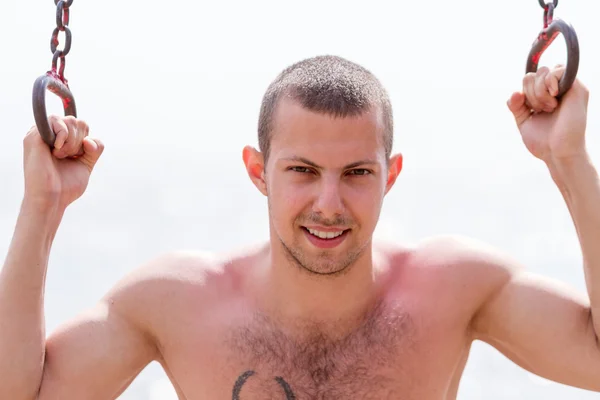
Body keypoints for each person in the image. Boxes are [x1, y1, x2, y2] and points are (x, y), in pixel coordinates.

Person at [1, 55, 598, 400]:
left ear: (391, 174)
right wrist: (42, 206)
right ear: (258, 171)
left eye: (357, 172)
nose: (329, 203)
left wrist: (569, 161)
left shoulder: (454, 290)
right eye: (303, 172)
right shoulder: (177, 304)